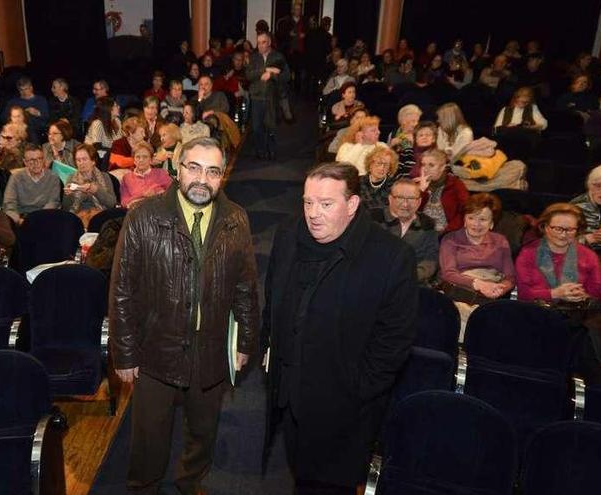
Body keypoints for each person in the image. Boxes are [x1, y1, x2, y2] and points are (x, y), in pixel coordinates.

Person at [110, 137, 259, 494]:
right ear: (178, 170)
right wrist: (125, 352)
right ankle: (144, 487)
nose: (202, 179)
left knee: (204, 430)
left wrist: (246, 341)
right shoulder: (143, 217)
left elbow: (245, 286)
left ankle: (190, 482)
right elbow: (122, 290)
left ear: (222, 176)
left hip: (210, 349)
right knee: (149, 437)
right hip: (155, 349)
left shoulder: (237, 219)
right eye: (194, 167)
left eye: (212, 171)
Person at [263, 161, 417, 493]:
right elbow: (273, 299)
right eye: (307, 202)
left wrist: (355, 390)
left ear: (352, 204)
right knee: (300, 475)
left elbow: (394, 342)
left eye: (326, 204)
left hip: (344, 412)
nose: (313, 213)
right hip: (291, 397)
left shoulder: (391, 257)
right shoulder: (289, 235)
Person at [439, 193, 515, 308]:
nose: (476, 224)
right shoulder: (450, 239)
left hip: (491, 293)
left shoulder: (500, 241)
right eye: (471, 218)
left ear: (492, 223)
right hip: (461, 292)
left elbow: (510, 278)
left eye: (483, 219)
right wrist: (478, 284)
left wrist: (499, 289)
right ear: (464, 219)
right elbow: (448, 273)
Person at [516, 203, 601, 303]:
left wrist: (581, 296)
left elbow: (596, 296)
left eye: (570, 230)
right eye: (557, 229)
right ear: (545, 227)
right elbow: (523, 294)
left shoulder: (589, 256)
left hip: (575, 311)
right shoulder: (528, 253)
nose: (563, 235)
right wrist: (555, 293)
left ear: (578, 231)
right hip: (535, 311)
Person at [370, 178, 439, 284]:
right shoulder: (372, 218)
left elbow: (430, 261)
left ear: (419, 201)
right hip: (373, 281)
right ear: (390, 199)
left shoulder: (427, 225)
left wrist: (406, 277)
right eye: (400, 198)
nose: (405, 204)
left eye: (411, 199)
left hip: (410, 284)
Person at [246, 31, 290, 160]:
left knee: (271, 126)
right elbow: (248, 75)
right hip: (257, 96)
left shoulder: (278, 57)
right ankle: (260, 150)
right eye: (258, 42)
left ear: (269, 42)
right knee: (256, 127)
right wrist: (265, 70)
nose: (260, 45)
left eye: (263, 42)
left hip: (272, 96)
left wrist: (272, 75)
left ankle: (271, 150)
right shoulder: (253, 57)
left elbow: (286, 76)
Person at [2, 143, 61, 226]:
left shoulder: (53, 177)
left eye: (39, 159)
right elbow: (9, 204)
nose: (36, 163)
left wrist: (37, 219)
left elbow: (53, 202)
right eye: (32, 160)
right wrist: (18, 220)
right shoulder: (16, 178)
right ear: (25, 162)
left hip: (44, 217)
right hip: (21, 218)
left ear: (43, 160)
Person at [62, 144, 117, 225]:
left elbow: (112, 203)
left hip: (101, 214)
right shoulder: (71, 178)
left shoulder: (104, 177)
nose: (81, 163)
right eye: (78, 160)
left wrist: (97, 191)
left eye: (84, 159)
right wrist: (68, 195)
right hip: (79, 216)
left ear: (93, 161)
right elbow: (66, 208)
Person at [417, 148, 468, 235]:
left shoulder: (456, 184)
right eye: (423, 165)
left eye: (431, 165)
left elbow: (465, 211)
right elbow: (413, 211)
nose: (425, 169)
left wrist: (447, 230)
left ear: (442, 167)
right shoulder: (417, 184)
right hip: (421, 231)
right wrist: (421, 191)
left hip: (447, 232)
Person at [121, 141, 172, 208]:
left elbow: (172, 194)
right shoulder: (126, 178)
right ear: (134, 160)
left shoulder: (161, 173)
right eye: (138, 157)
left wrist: (156, 193)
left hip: (158, 208)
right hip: (136, 211)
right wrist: (142, 196)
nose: (141, 160)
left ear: (151, 160)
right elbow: (124, 201)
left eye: (145, 157)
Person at [3, 76, 50, 142]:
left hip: (36, 127)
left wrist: (37, 113)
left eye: (26, 89)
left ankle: (34, 148)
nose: (24, 92)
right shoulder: (13, 102)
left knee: (29, 125)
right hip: (17, 126)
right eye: (21, 90)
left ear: (31, 88)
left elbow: (47, 117)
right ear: (18, 90)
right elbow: (4, 117)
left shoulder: (40, 100)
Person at [388, 104, 421, 178]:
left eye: (417, 121)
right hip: (396, 168)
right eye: (413, 121)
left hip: (413, 169)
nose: (416, 124)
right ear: (403, 121)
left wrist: (415, 144)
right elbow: (388, 155)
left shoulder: (420, 134)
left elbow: (424, 154)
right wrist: (391, 146)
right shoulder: (393, 134)